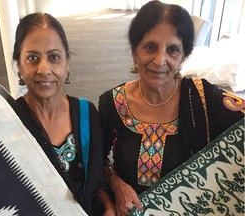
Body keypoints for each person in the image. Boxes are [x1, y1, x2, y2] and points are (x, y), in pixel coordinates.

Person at [98, 1, 245, 215]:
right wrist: (115, 183)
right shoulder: (112, 102)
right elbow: (96, 162)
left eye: (173, 50)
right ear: (134, 52)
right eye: (150, 47)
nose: (160, 61)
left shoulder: (203, 97)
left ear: (184, 56)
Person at [9, 12, 114, 215]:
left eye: (54, 57)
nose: (44, 69)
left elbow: (96, 178)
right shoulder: (10, 121)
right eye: (32, 58)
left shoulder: (86, 113)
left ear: (67, 63)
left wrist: (108, 204)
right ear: (19, 66)